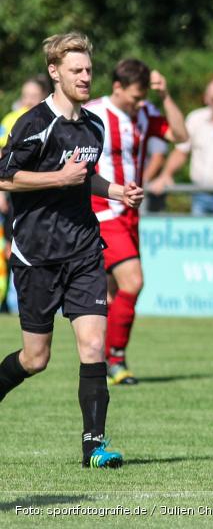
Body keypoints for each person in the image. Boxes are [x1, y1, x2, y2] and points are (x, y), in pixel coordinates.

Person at [0, 32, 143, 468]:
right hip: (36, 255)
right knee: (35, 357)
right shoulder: (32, 123)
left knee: (92, 344)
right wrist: (54, 179)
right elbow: (6, 177)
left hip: (83, 249)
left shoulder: (93, 124)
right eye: (76, 70)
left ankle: (94, 445)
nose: (85, 77)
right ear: (54, 72)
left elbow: (85, 176)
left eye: (88, 70)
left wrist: (115, 190)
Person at [85, 59, 188, 384]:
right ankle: (115, 359)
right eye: (133, 97)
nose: (137, 104)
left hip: (130, 213)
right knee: (134, 281)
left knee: (114, 291)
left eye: (142, 98)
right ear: (117, 88)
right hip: (101, 210)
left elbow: (181, 136)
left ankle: (98, 359)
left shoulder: (144, 112)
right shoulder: (93, 112)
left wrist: (166, 96)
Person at [149, 78, 213, 215]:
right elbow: (181, 152)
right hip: (198, 194)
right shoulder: (195, 119)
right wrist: (166, 174)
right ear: (206, 99)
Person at [0, 76, 51, 311]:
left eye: (33, 95)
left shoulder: (53, 120)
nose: (28, 100)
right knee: (12, 248)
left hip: (45, 199)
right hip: (14, 194)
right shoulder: (12, 120)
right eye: (25, 95)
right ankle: (15, 302)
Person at [0, 76, 51, 147]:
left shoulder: (51, 121)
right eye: (25, 96)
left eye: (34, 97)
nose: (28, 101)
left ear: (44, 97)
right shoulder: (9, 119)